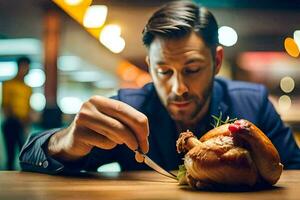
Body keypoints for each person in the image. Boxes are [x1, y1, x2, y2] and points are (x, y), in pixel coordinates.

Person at [19, 1, 300, 174]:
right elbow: (29, 157)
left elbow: (293, 171)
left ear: (216, 61)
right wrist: (65, 142)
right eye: (163, 71)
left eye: (192, 70)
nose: (178, 88)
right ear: (149, 65)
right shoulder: (128, 107)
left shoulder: (252, 104)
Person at [2, 56, 32, 170]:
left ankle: (25, 179)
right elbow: (5, 105)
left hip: (23, 124)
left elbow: (28, 107)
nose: (27, 70)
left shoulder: (28, 88)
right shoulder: (8, 84)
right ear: (19, 67)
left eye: (28, 67)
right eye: (25, 67)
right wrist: (16, 118)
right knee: (10, 154)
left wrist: (27, 121)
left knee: (24, 153)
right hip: (10, 123)